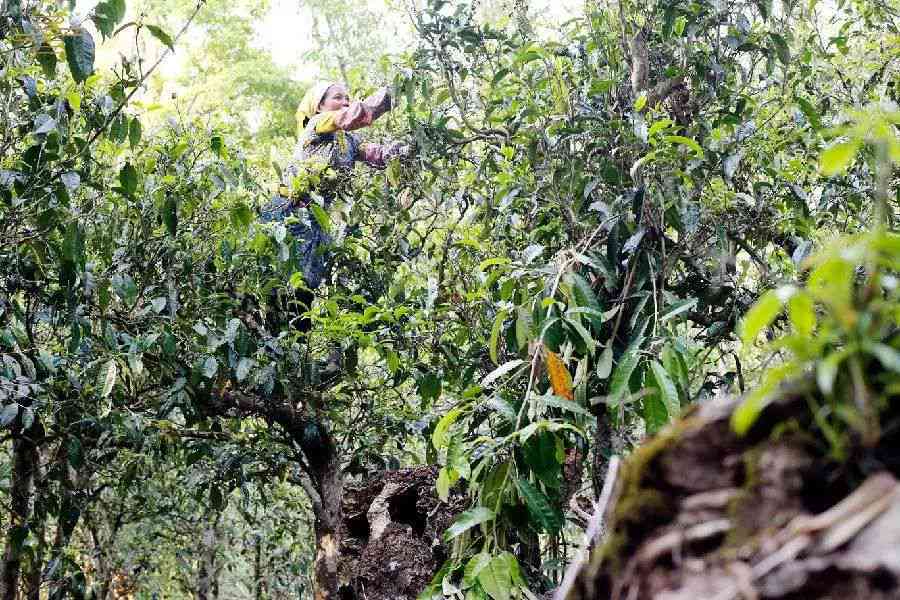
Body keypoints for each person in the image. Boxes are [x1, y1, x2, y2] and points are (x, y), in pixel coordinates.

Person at [260, 82, 407, 333]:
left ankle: (296, 357)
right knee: (281, 287)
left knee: (305, 290)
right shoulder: (317, 126)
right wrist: (391, 92)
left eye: (348, 98)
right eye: (338, 97)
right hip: (287, 210)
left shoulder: (348, 141)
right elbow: (353, 116)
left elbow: (379, 155)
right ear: (319, 105)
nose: (345, 102)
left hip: (315, 219)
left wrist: (410, 147)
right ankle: (272, 346)